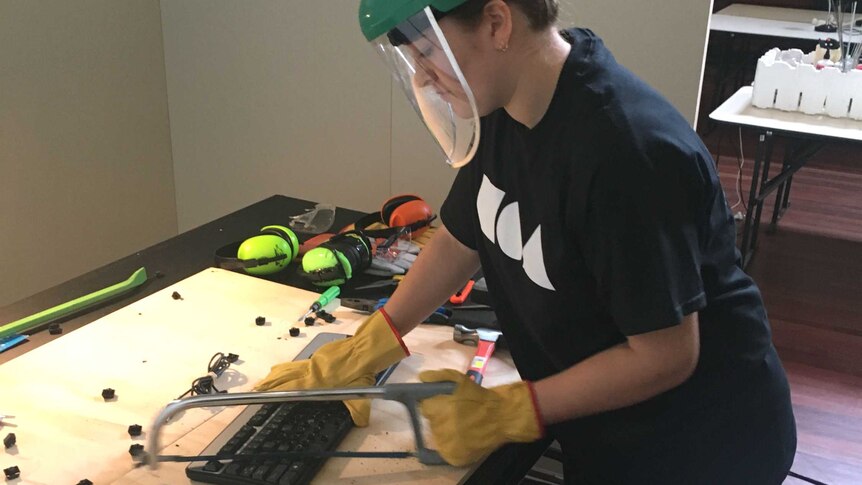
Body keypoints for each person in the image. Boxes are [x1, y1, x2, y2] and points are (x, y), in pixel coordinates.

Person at [255, 1, 798, 482]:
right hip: (605, 427)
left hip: (699, 445)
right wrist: (375, 341)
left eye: (427, 52)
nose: (424, 77)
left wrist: (509, 410)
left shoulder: (623, 152)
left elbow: (666, 356)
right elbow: (462, 235)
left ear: (496, 22)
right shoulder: (506, 105)